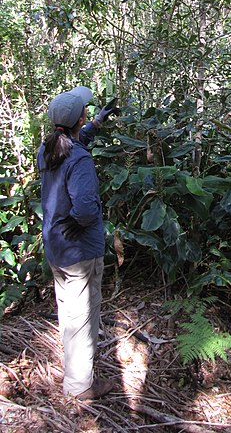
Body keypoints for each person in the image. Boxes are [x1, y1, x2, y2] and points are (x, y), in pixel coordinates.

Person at [37, 86, 118, 400]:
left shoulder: (48, 149)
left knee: (69, 313)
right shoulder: (80, 160)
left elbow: (74, 143)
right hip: (80, 250)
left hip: (56, 248)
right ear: (77, 118)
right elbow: (84, 207)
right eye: (86, 113)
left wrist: (97, 123)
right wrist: (85, 217)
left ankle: (72, 374)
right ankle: (80, 388)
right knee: (84, 317)